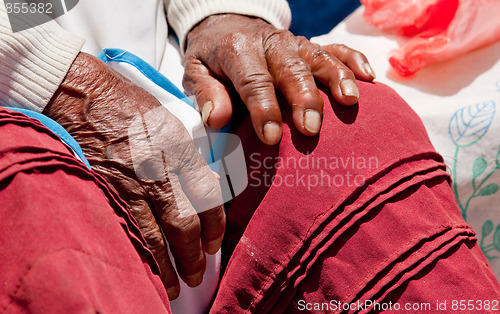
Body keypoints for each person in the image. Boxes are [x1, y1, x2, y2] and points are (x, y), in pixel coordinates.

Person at [1, 0, 499, 313]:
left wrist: (223, 13)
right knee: (38, 219)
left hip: (169, 68)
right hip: (19, 116)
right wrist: (48, 76)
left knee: (350, 128)